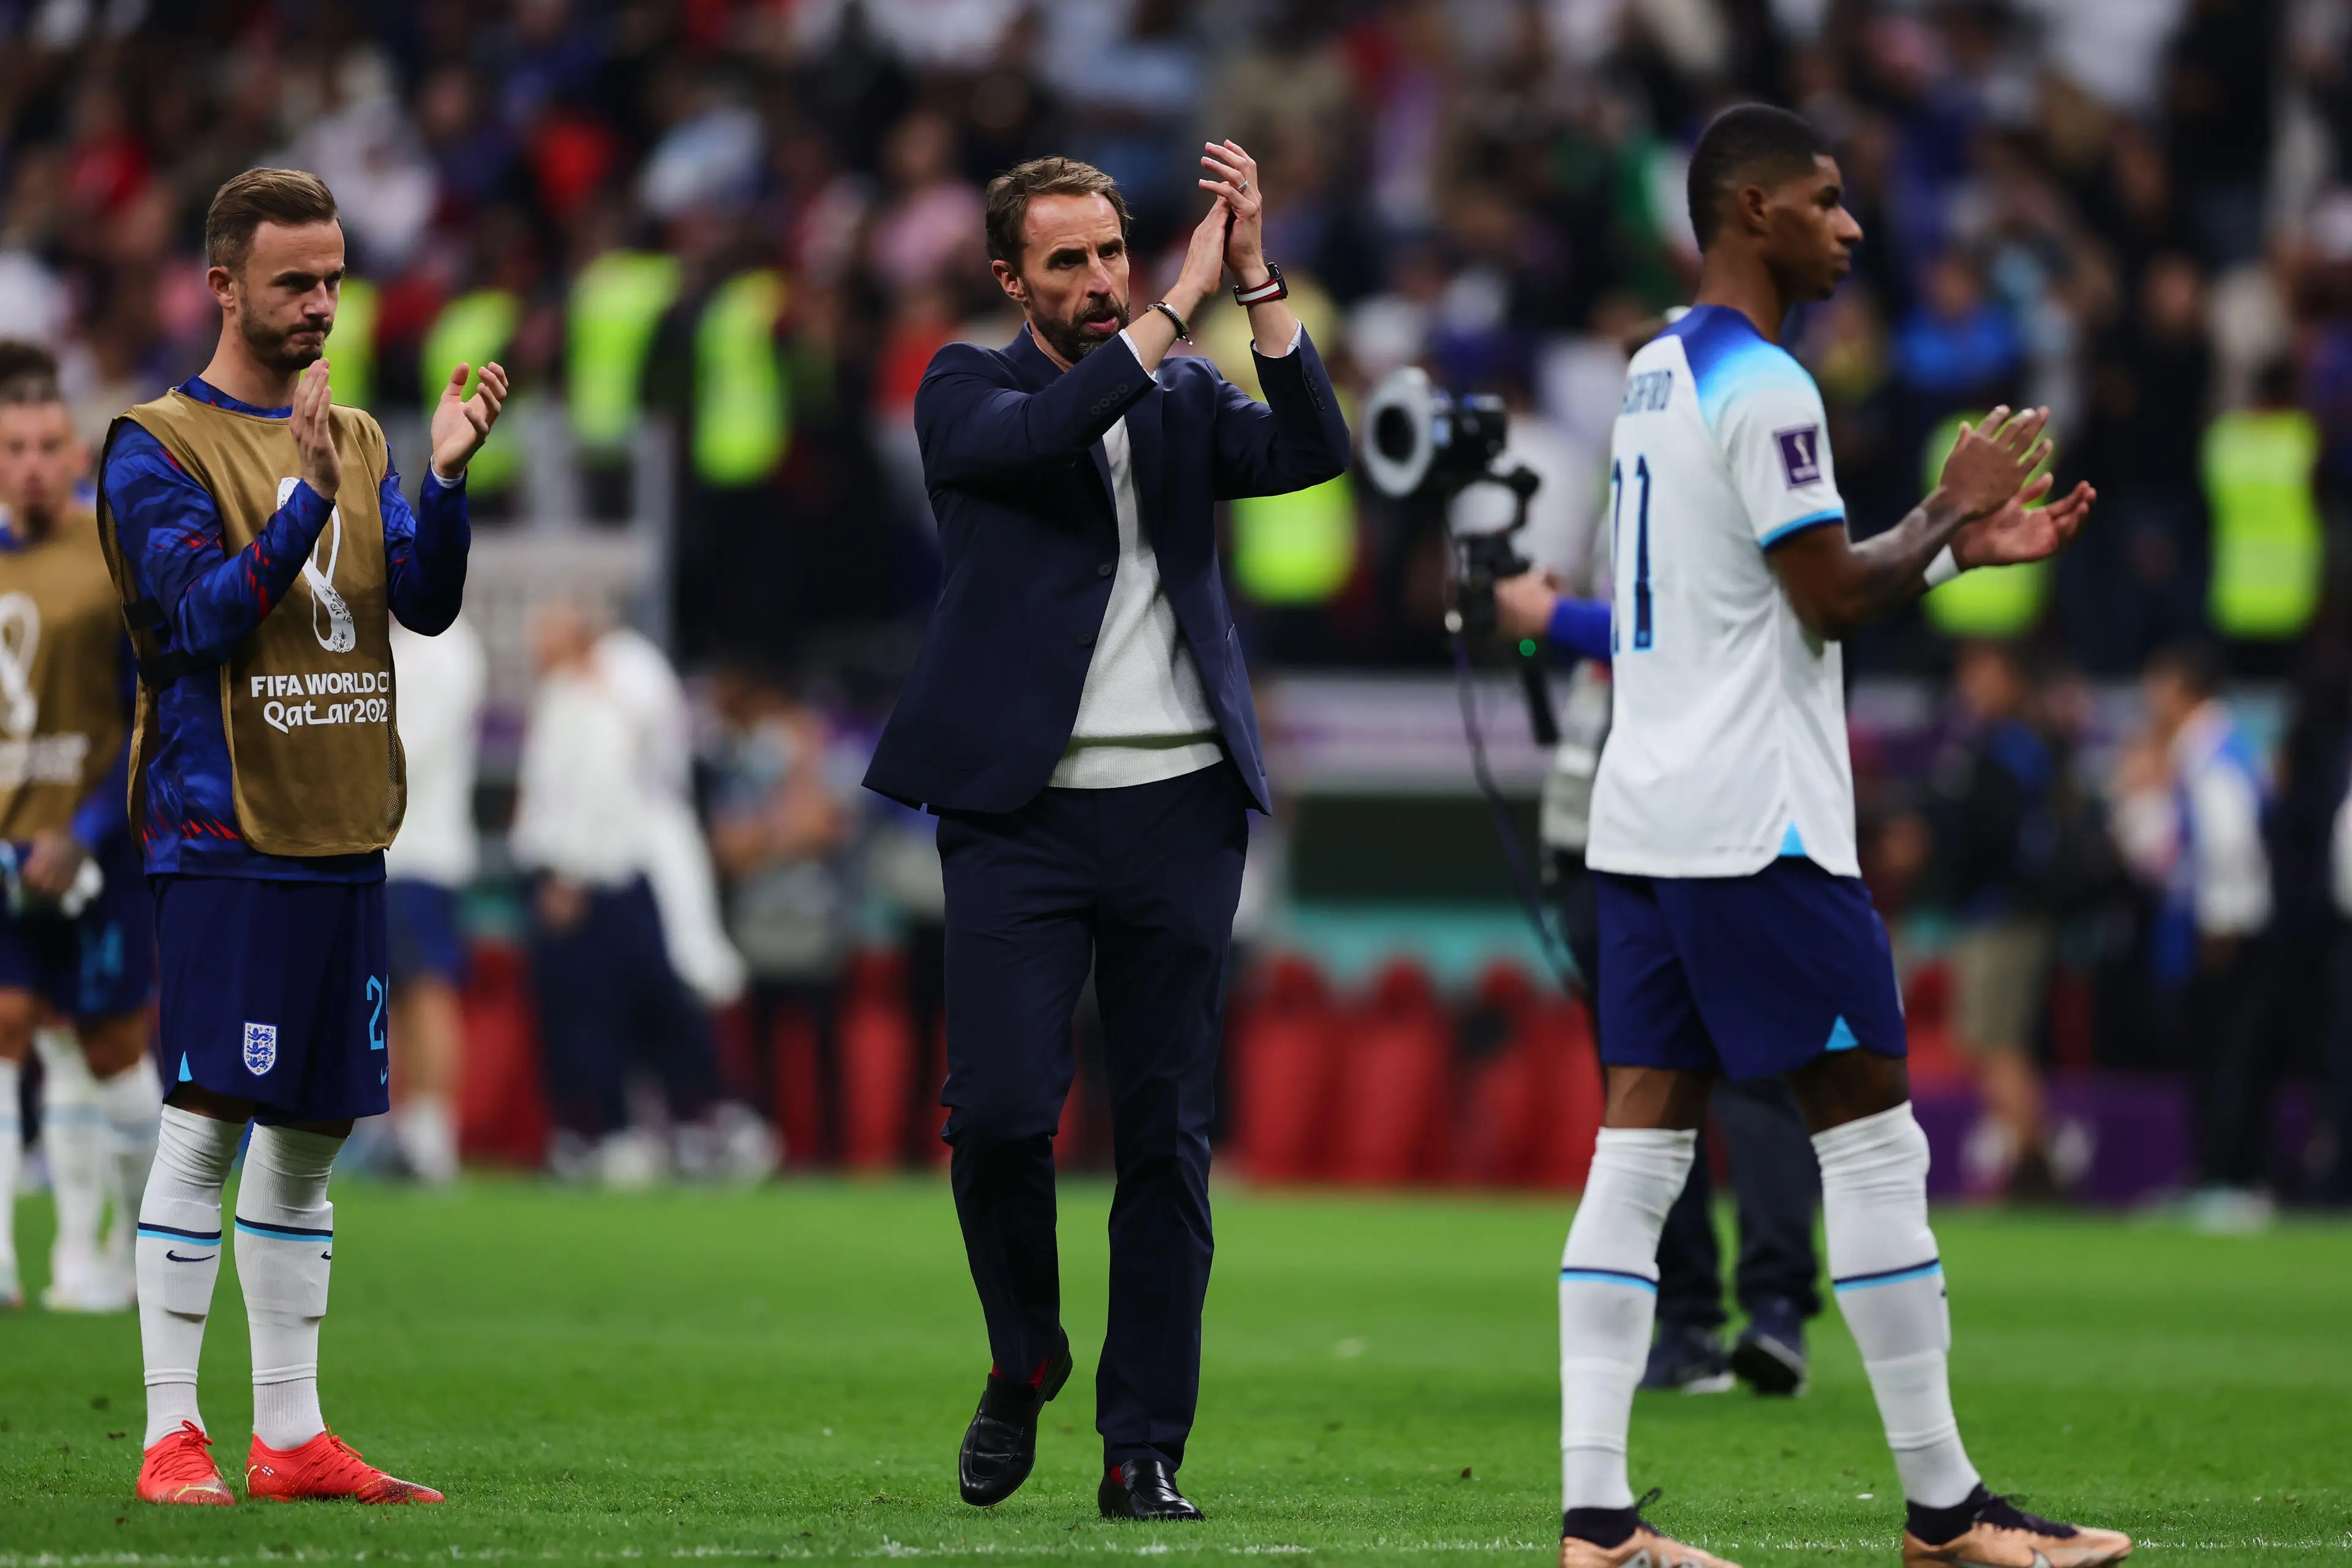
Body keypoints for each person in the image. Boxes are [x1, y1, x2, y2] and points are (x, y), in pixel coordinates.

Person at [1547, 107, 2124, 1568]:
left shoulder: (1648, 372)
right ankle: (1947, 1508)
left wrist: (1940, 551)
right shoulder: (1772, 385)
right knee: (1872, 1141)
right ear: (1751, 209)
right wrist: (1946, 501)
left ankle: (1598, 1517)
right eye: (1822, 198)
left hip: (1644, 816)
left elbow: (1760, 594)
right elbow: (1823, 600)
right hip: (1761, 825)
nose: (1851, 223)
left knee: (1637, 1149)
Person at [862, 147, 1349, 1521]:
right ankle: (1024, 1357)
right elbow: (1040, 438)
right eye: (1064, 261)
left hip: (1180, 807)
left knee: (1165, 1138)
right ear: (1010, 277)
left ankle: (1144, 1447)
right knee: (1003, 1115)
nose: (1097, 279)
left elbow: (1313, 447)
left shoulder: (1188, 387)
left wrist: (1254, 280)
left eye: (1112, 252)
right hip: (1021, 812)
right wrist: (1167, 321)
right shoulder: (966, 388)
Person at [96, 168, 505, 1507]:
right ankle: (170, 1433)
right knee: (209, 1114)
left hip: (345, 824)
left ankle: (290, 1433)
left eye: (334, 276)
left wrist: (440, 480)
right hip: (225, 830)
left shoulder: (368, 436)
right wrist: (298, 505)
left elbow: (425, 606)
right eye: (295, 281)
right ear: (223, 286)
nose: (324, 302)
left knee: (316, 1129)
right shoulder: (153, 442)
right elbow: (195, 615)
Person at [1496, 453, 1823, 1400]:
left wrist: (1549, 620)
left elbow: (1680, 635)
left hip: (1713, 819)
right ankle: (1706, 1319)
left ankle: (1751, 1313)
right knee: (1656, 1090)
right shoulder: (1633, 493)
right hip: (1609, 827)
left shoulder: (1723, 490)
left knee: (1733, 1081)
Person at [0, 341, 160, 1313]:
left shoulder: (111, 556)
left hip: (97, 849)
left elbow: (146, 706)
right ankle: (17, 1266)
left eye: (48, 443)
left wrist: (90, 827)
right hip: (6, 850)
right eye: (13, 444)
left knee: (105, 1048)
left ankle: (152, 1243)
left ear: (75, 453)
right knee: (10, 1024)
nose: (30, 462)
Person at [509, 600, 764, 1185]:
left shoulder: (616, 683)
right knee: (595, 1007)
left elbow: (607, 782)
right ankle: (620, 1129)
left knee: (640, 1003)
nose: (534, 647)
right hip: (580, 867)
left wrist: (570, 873)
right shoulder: (565, 691)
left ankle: (684, 1125)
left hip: (611, 869)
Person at [2113, 642, 2275, 1231]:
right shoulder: (2211, 747)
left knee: (2223, 1057)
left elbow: (2230, 839)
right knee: (2216, 1057)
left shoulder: (2212, 751)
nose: (2152, 699)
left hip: (2223, 929)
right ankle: (2221, 1174)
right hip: (2221, 924)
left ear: (2185, 690)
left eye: (2160, 685)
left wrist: (2222, 922)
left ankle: (2229, 1181)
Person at [1924, 641, 2065, 1200]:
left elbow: (1998, 836)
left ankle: (2038, 1168)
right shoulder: (1987, 744)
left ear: (2012, 680)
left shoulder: (2016, 748)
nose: (1972, 690)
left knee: (1998, 1043)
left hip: (2006, 914)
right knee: (1988, 1043)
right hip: (1990, 912)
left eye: (1984, 676)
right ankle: (2032, 1164)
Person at [382, 610, 486, 1185]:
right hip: (385, 851)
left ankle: (435, 1137)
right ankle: (407, 1132)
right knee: (395, 995)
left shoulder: (447, 650)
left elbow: (410, 749)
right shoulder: (392, 642)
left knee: (427, 990)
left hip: (423, 849)